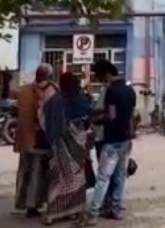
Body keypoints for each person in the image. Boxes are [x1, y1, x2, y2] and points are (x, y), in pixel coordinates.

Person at [82, 60, 136, 225]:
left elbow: (111, 116)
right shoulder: (130, 90)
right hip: (125, 139)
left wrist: (95, 121)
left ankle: (93, 213)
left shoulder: (111, 91)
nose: (100, 80)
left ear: (106, 74)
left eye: (100, 76)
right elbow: (131, 116)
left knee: (103, 178)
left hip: (112, 140)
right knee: (120, 177)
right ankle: (117, 209)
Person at [39, 72, 92, 225]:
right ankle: (74, 210)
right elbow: (89, 120)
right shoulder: (82, 100)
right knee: (77, 178)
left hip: (59, 146)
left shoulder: (54, 101)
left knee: (58, 178)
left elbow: (45, 121)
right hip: (78, 147)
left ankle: (54, 213)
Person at [14, 64, 57, 218]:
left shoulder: (23, 90)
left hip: (25, 139)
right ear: (48, 76)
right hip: (39, 139)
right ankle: (34, 205)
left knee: (25, 172)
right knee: (38, 173)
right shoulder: (50, 91)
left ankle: (25, 204)